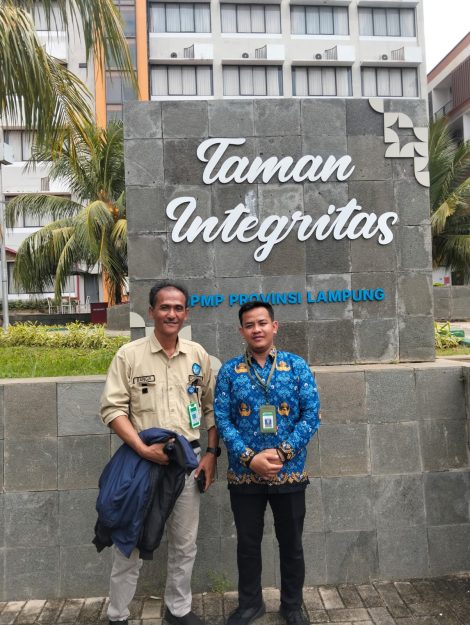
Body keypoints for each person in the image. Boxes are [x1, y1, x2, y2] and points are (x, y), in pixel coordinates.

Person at [100, 280, 220, 625]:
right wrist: (142, 448)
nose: (172, 314)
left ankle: (178, 609)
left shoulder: (197, 355)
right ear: (151, 311)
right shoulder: (130, 355)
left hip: (187, 465)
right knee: (130, 543)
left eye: (178, 308)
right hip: (144, 465)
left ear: (186, 313)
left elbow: (210, 408)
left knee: (185, 544)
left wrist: (211, 454)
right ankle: (117, 615)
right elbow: (112, 409)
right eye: (165, 307)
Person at [214, 301, 320, 625]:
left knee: (291, 545)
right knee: (248, 545)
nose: (256, 329)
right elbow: (222, 419)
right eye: (249, 325)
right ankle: (250, 605)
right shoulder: (229, 371)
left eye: (262, 323)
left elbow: (311, 415)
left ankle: (292, 605)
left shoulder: (296, 366)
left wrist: (283, 453)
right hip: (245, 476)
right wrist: (250, 458)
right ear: (241, 330)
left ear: (274, 326)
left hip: (289, 473)